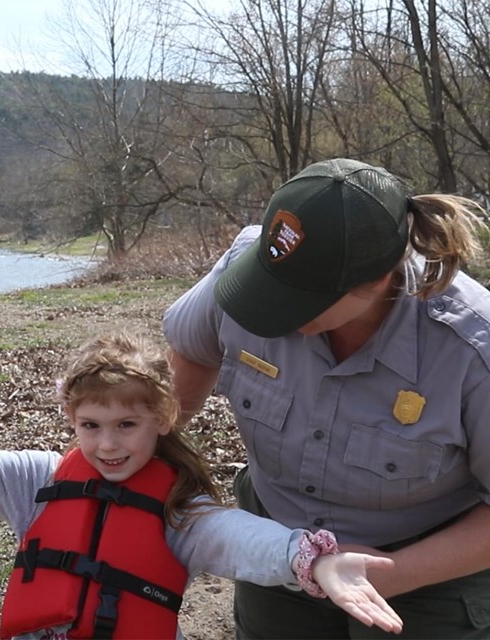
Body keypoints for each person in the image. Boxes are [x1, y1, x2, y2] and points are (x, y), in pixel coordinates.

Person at [0, 332, 402, 639]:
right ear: (70, 416)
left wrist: (313, 561)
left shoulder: (179, 509)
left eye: (126, 426)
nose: (108, 446)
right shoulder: (36, 481)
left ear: (162, 418)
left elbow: (240, 538)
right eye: (91, 426)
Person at [163, 157, 490, 639]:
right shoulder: (248, 267)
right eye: (268, 286)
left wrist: (393, 574)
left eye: (299, 299)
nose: (272, 311)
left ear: (379, 281)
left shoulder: (471, 348)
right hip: (278, 537)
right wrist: (143, 457)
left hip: (428, 568)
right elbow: (191, 353)